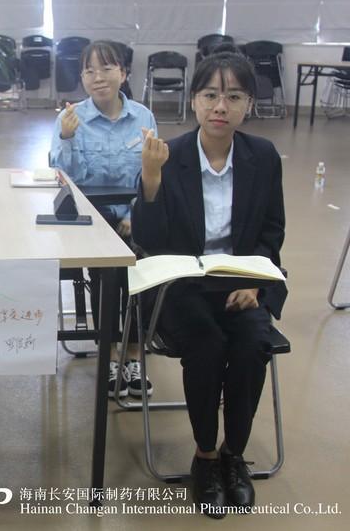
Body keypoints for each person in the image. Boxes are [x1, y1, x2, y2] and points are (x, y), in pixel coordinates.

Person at [132, 48, 286, 518]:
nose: (221, 106)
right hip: (181, 286)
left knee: (253, 343)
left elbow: (271, 232)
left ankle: (233, 454)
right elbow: (150, 242)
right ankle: (204, 456)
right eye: (210, 95)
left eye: (234, 96)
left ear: (249, 104)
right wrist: (151, 179)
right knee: (207, 343)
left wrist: (255, 283)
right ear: (194, 101)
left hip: (241, 282)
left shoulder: (263, 157)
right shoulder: (169, 155)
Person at [50, 40, 157, 399]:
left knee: (141, 269)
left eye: (107, 68)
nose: (98, 77)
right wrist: (67, 137)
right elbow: (64, 179)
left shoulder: (143, 117)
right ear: (82, 78)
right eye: (89, 71)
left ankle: (134, 354)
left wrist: (135, 214)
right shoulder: (69, 118)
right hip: (91, 219)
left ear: (123, 73)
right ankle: (109, 353)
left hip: (134, 216)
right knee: (105, 273)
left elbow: (150, 173)